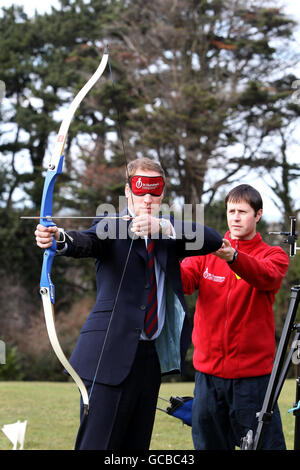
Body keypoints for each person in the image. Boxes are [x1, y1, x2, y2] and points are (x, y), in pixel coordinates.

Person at [35, 157, 222, 450]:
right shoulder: (110, 225)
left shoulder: (168, 232)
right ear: (127, 191)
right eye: (140, 189)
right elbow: (85, 241)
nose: (147, 198)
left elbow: (213, 240)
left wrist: (162, 226)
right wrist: (58, 239)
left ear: (162, 193)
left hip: (149, 360)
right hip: (107, 356)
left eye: (154, 190)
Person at [180, 184, 289, 450]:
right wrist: (160, 254)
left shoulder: (274, 255)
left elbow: (266, 276)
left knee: (265, 445)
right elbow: (182, 282)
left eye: (243, 211)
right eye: (231, 211)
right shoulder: (205, 253)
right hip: (207, 376)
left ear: (258, 214)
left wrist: (234, 257)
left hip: (253, 379)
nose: (236, 217)